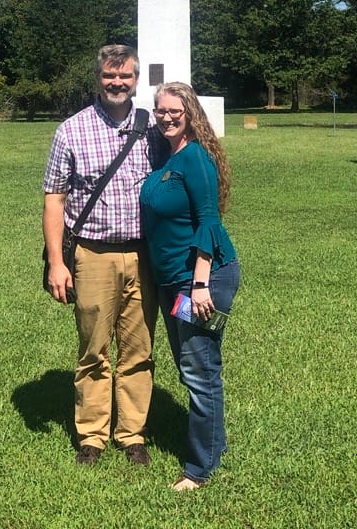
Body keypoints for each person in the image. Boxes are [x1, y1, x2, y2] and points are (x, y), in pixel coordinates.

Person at [42, 45, 162, 467]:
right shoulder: (71, 131)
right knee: (93, 349)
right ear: (98, 79)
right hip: (92, 255)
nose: (117, 83)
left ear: (135, 79)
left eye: (125, 76)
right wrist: (57, 263)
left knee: (138, 349)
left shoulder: (153, 128)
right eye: (110, 77)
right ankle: (91, 435)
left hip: (145, 255)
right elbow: (54, 199)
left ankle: (132, 433)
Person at [139, 81, 240, 491]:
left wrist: (200, 286)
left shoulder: (195, 157)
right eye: (160, 110)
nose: (166, 117)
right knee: (191, 368)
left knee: (200, 372)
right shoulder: (169, 157)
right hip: (173, 281)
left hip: (201, 278)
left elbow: (208, 222)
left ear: (190, 113)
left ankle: (199, 469)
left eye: (174, 111)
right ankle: (214, 445)